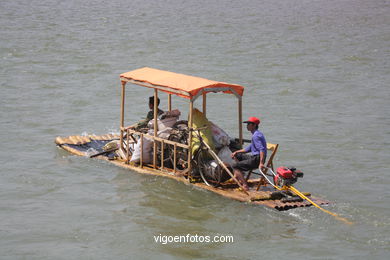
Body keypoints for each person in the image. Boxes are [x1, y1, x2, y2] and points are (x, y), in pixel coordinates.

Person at [231, 117, 267, 191]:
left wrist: (261, 163)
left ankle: (245, 185)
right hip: (255, 157)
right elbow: (249, 149)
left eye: (249, 124)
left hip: (257, 159)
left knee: (235, 166)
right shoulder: (256, 134)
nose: (247, 126)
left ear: (254, 125)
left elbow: (262, 149)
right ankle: (237, 175)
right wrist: (237, 152)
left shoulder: (256, 136)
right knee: (237, 155)